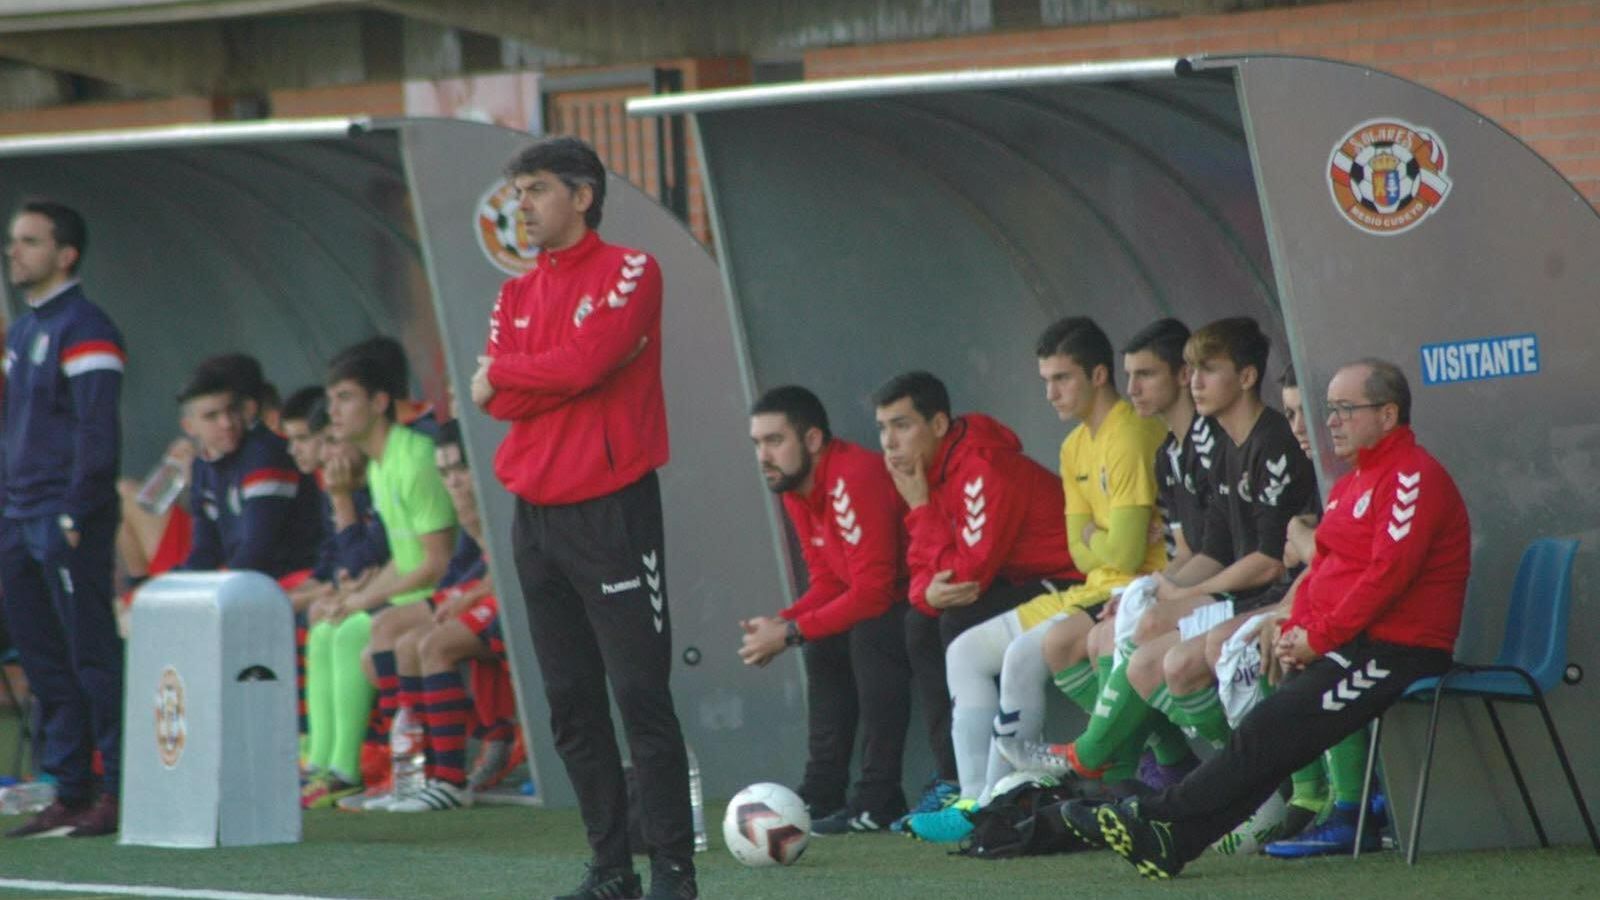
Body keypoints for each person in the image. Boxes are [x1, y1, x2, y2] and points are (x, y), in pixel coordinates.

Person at [1070, 359, 1471, 880]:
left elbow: (1386, 577)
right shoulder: (1354, 483)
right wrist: (1291, 624)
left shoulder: (1413, 477)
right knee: (1270, 735)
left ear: (1388, 413)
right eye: (1331, 410)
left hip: (1401, 650)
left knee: (1273, 727)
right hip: (1357, 643)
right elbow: (1326, 570)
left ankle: (1155, 814)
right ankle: (1173, 843)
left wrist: (1318, 636)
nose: (1331, 421)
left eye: (1345, 409)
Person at [470, 135, 694, 900]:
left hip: (613, 515)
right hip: (535, 520)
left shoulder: (633, 269)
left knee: (639, 697)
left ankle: (673, 870)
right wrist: (527, 379)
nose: (521, 206)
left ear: (583, 195)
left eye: (534, 190)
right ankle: (610, 870)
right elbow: (507, 402)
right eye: (518, 192)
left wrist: (505, 373)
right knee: (570, 703)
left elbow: (582, 365)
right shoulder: (513, 295)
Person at [907, 318, 1169, 842]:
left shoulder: (1130, 433)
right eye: (1045, 380)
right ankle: (972, 798)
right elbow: (1085, 547)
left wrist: (1099, 538)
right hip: (1091, 585)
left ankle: (999, 810)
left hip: (1137, 589)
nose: (1050, 393)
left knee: (1022, 656)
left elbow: (1124, 551)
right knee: (963, 651)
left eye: (1062, 379)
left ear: (1099, 375)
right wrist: (1100, 537)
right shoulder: (1074, 446)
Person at [871, 371, 1080, 838]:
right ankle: (953, 783)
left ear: (939, 424)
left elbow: (967, 578)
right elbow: (921, 575)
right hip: (1020, 579)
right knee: (920, 623)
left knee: (956, 624)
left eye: (902, 425)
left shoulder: (982, 466)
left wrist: (921, 507)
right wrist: (924, 591)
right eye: (883, 428)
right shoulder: (929, 472)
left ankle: (984, 791)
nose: (890, 442)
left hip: (1071, 581)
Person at [737, 386, 917, 834]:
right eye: (757, 443)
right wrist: (786, 622)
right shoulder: (795, 487)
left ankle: (880, 797)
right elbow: (830, 581)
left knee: (865, 632)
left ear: (813, 440)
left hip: (922, 600)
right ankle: (821, 794)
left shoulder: (852, 475)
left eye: (775, 441)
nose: (764, 455)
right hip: (885, 604)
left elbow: (873, 591)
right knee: (822, 640)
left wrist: (791, 632)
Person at [0, 200, 125, 838]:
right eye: (12, 241)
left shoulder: (85, 325)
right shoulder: (22, 332)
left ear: (65, 254)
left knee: (90, 655)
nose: (13, 251)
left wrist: (78, 508)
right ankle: (69, 790)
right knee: (45, 662)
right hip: (18, 517)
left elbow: (96, 429)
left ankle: (118, 790)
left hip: (65, 515)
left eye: (28, 241)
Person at [303, 344, 455, 808]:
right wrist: (359, 595)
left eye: (345, 397)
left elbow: (438, 561)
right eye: (331, 400)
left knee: (354, 632)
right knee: (326, 627)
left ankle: (353, 769)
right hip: (413, 589)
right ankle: (321, 764)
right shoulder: (380, 463)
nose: (334, 411)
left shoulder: (415, 457)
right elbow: (399, 557)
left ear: (380, 402)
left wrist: (366, 603)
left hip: (440, 592)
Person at [175, 359, 321, 578]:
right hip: (250, 582)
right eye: (211, 416)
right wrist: (172, 584)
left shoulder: (264, 454)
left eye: (231, 410)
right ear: (189, 427)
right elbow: (205, 550)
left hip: (296, 578)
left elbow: (257, 551)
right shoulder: (201, 467)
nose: (226, 423)